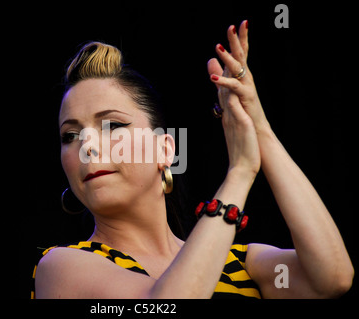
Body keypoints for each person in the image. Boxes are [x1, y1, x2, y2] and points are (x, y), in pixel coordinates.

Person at [33, 21, 353, 299]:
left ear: (166, 150)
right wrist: (240, 172)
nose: (86, 145)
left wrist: (258, 128)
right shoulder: (61, 267)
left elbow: (331, 278)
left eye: (112, 125)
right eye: (70, 136)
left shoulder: (241, 264)